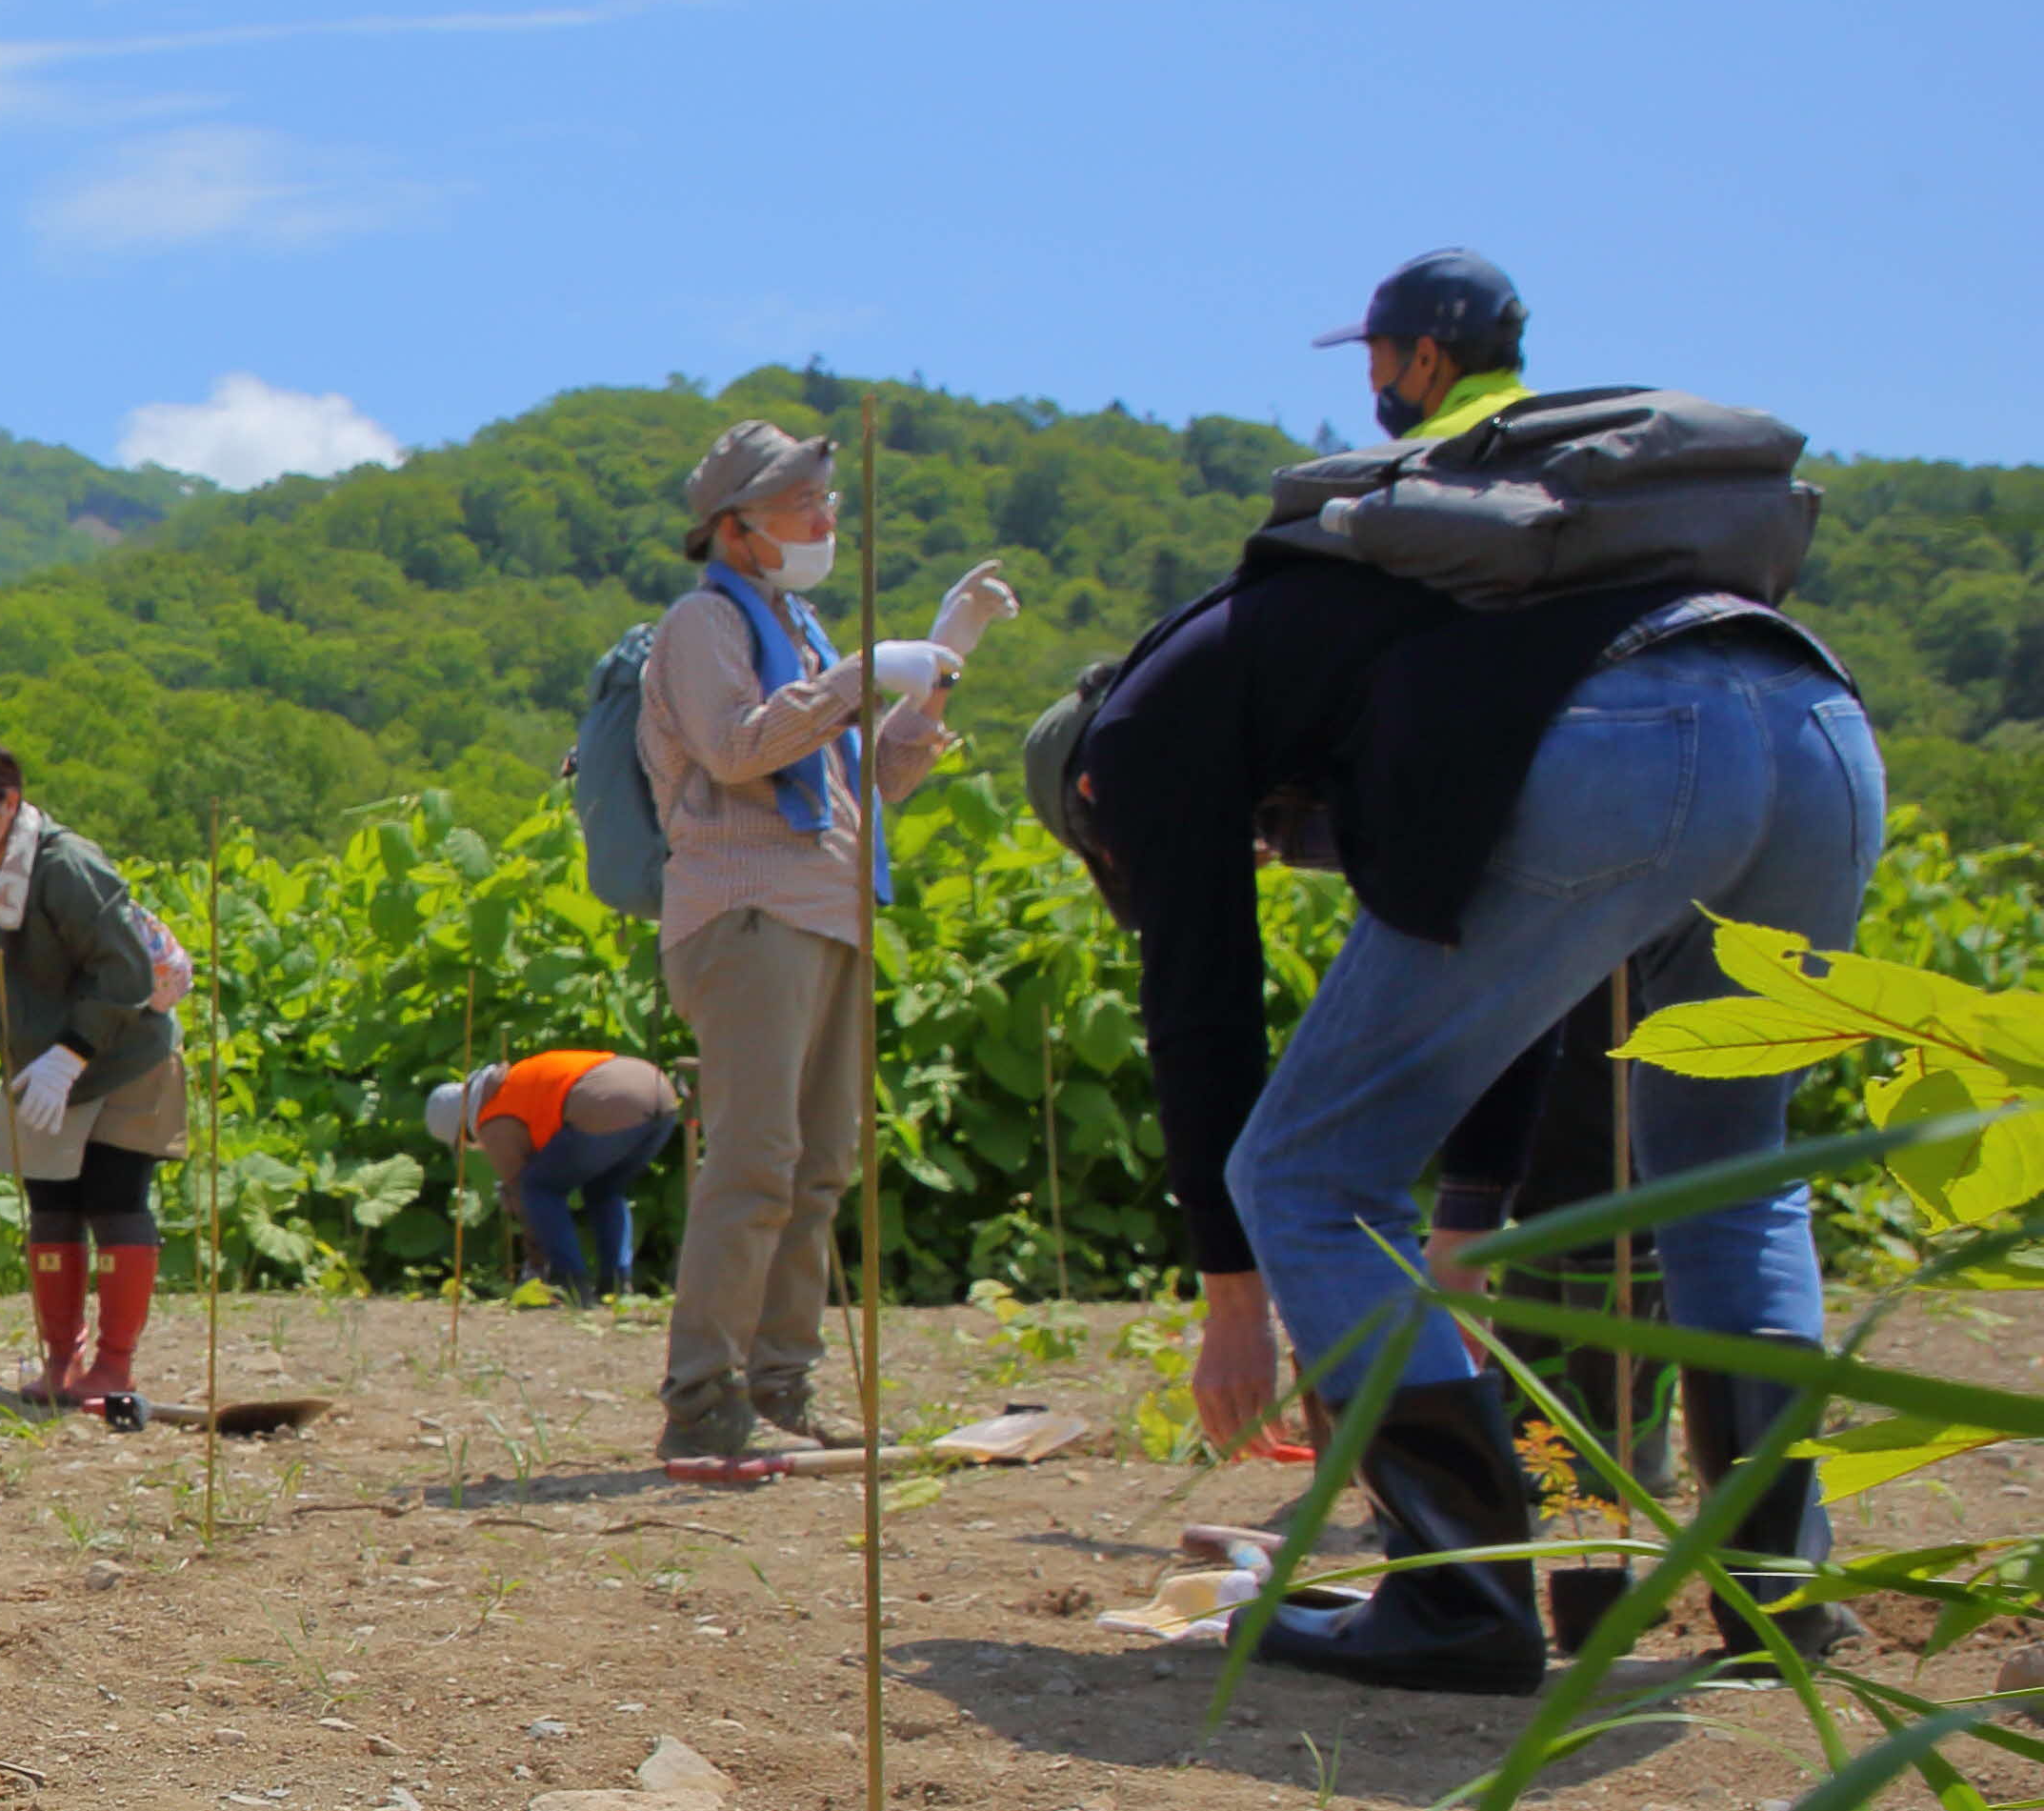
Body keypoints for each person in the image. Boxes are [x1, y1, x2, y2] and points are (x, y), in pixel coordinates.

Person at [1040, 272, 1880, 1690]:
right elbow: (1517, 994)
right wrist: (1471, 1220)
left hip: (1627, 742)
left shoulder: (1139, 735)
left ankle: (1454, 1597)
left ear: (1082, 793)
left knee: (1302, 1174)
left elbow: (1205, 1008)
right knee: (1733, 1181)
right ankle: (1779, 1602)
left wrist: (1235, 1291)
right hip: (1809, 721)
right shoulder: (1369, 664)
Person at [637, 418, 1015, 1469]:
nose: (824, 521)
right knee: (757, 1162)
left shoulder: (796, 629)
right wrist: (859, 675)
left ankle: (780, 1388)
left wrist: (940, 667)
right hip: (748, 914)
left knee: (818, 1169)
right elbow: (738, 744)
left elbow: (862, 789)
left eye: (825, 501)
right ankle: (705, 1402)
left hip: (830, 913)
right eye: (802, 505)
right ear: (735, 527)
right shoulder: (703, 626)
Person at [0, 744, 181, 1417]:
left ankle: (114, 1364)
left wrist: (73, 1052)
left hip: (120, 1055)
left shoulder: (67, 867)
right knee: (51, 1205)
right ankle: (62, 1360)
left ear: (9, 803)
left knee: (115, 1199)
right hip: (35, 1068)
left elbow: (123, 973)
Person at [430, 1050, 681, 1300]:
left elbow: (521, 1193)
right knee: (604, 1190)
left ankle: (569, 1283)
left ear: (462, 1126)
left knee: (538, 1187)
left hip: (609, 1103)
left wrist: (536, 1257)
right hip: (661, 1095)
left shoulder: (491, 1117)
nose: (476, 1144)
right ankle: (616, 1284)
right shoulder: (515, 1082)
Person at [1322, 244, 1534, 451]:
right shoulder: (1553, 427)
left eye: (1375, 359)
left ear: (1425, 358)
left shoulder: (1426, 456)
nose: (1373, 385)